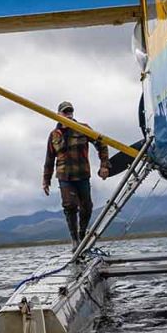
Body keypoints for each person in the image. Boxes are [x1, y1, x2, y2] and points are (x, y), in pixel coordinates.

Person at [42, 102, 110, 247]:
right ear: (59, 115)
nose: (68, 114)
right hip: (64, 176)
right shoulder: (54, 135)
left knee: (87, 207)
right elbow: (49, 158)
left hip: (82, 174)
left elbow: (102, 143)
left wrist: (104, 164)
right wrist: (46, 180)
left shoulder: (83, 129)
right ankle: (74, 240)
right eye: (65, 112)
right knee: (70, 205)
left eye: (70, 112)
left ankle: (82, 233)